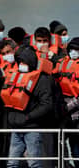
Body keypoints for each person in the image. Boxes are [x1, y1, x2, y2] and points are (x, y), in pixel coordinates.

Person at [1, 47, 53, 168]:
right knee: (11, 163)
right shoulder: (15, 77)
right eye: (19, 63)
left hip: (32, 128)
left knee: (34, 163)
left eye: (24, 63)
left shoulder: (42, 80)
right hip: (16, 128)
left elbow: (46, 105)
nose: (21, 65)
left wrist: (28, 117)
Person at [55, 37, 79, 167]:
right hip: (64, 114)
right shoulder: (62, 64)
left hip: (75, 114)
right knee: (62, 143)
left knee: (76, 147)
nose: (74, 52)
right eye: (72, 49)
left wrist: (67, 107)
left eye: (77, 49)